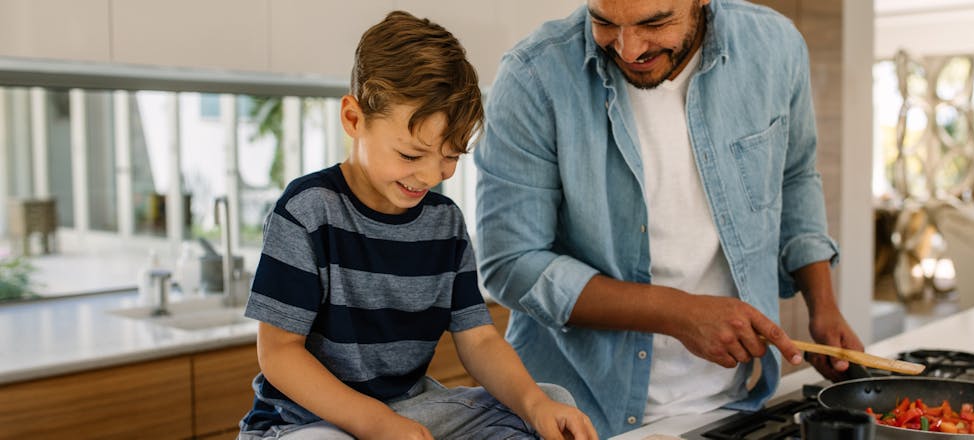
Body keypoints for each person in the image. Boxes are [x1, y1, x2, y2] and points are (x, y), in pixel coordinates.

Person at [473, 0, 864, 437]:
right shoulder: (533, 77)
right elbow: (510, 264)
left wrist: (822, 305)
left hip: (729, 408)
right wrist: (678, 312)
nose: (628, 49)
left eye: (655, 23)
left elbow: (794, 176)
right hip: (576, 413)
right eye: (603, 22)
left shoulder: (775, 47)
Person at [237, 11, 596, 440]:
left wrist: (535, 404)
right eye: (410, 155)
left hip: (407, 411)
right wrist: (377, 424)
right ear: (353, 119)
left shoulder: (446, 224)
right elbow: (279, 354)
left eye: (450, 157)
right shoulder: (308, 210)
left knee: (549, 401)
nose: (429, 176)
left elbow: (479, 340)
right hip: (306, 422)